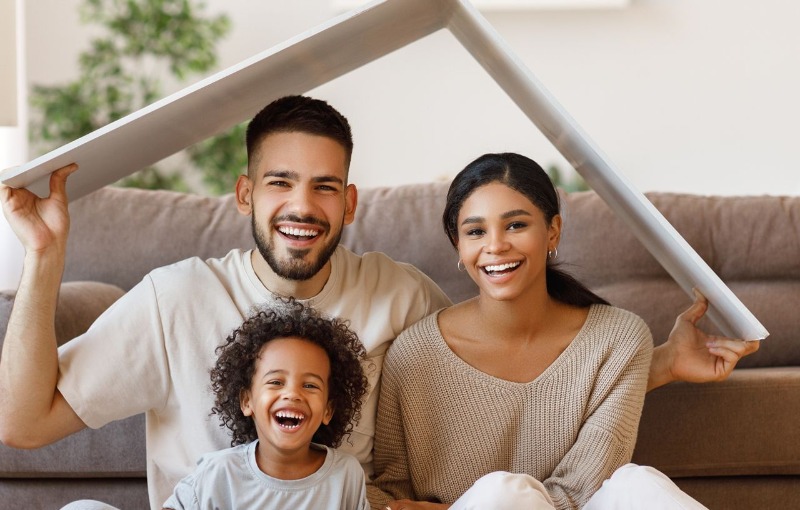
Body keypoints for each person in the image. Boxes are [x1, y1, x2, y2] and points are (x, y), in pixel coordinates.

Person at [0, 95, 757, 510]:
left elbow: (501, 373)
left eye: (325, 185)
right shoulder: (175, 297)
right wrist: (43, 257)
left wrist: (653, 363)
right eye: (280, 183)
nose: (304, 204)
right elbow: (22, 424)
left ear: (351, 200)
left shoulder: (398, 296)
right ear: (243, 194)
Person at [371, 153, 719, 510]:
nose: (495, 246)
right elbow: (390, 493)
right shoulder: (414, 353)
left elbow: (581, 490)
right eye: (476, 231)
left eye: (516, 225)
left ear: (552, 230)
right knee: (500, 493)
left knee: (637, 484)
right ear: (458, 244)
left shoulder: (619, 339)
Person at [162, 298, 370, 510]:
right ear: (247, 401)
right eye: (276, 382)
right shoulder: (218, 472)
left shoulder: (346, 475)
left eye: (310, 385)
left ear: (328, 410)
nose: (292, 393)